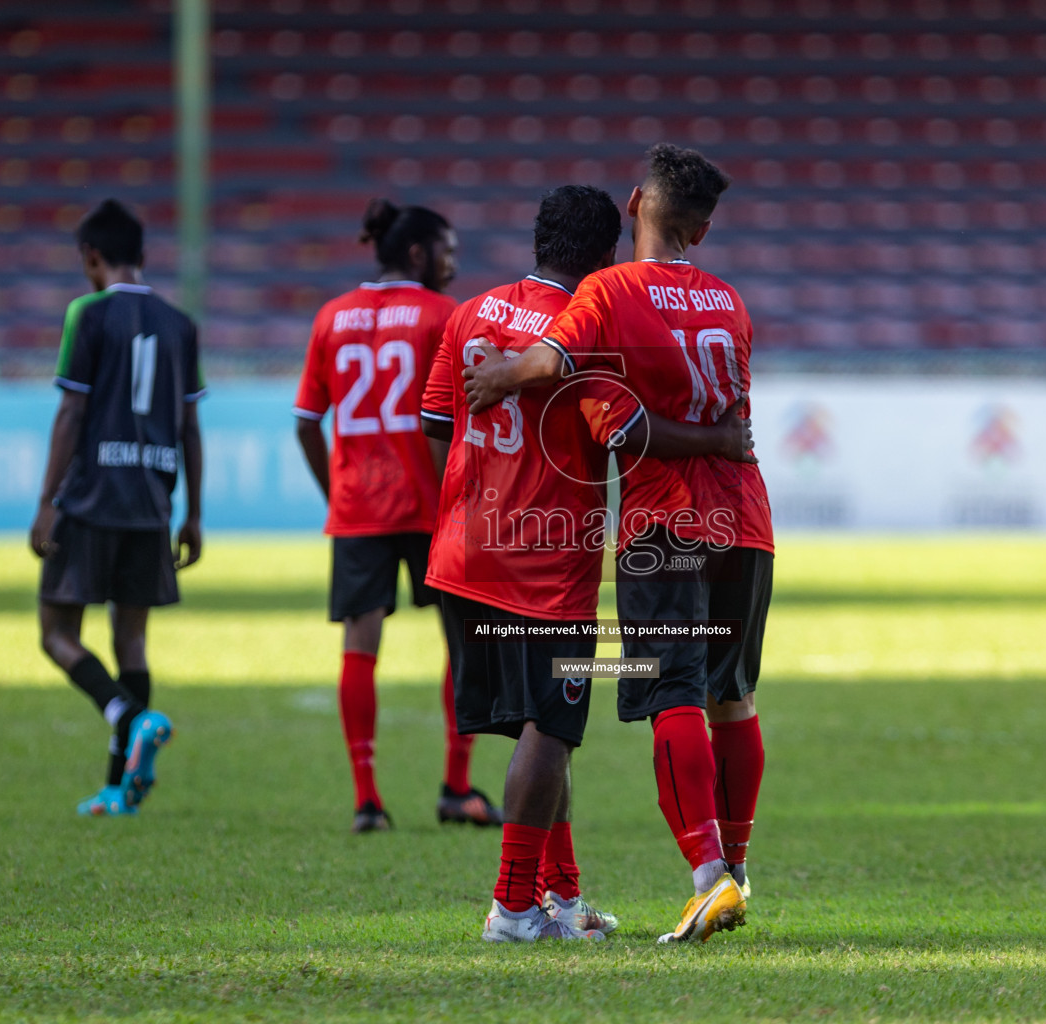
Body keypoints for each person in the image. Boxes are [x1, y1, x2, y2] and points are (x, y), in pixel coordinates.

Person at [422, 183, 757, 942]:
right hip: (545, 566)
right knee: (554, 728)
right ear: (604, 255)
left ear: (538, 240)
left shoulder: (469, 313)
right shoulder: (588, 332)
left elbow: (436, 425)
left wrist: (469, 506)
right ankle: (512, 909)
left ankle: (564, 900)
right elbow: (628, 432)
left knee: (533, 730)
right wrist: (717, 441)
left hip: (463, 553)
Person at [294, 198, 500, 833]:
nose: (453, 264)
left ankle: (366, 800)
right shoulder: (444, 315)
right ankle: (456, 787)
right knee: (463, 641)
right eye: (448, 252)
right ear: (418, 254)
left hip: (359, 508)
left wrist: (337, 490)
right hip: (435, 504)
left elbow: (306, 421)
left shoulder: (332, 316)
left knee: (361, 647)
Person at [30, 198, 203, 817]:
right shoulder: (180, 322)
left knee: (56, 633)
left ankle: (128, 716)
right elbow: (189, 426)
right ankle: (118, 788)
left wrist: (49, 502)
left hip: (93, 497)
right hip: (153, 502)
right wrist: (194, 513)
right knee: (130, 639)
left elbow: (72, 411)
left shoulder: (88, 313)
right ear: (145, 256)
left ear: (91, 257)